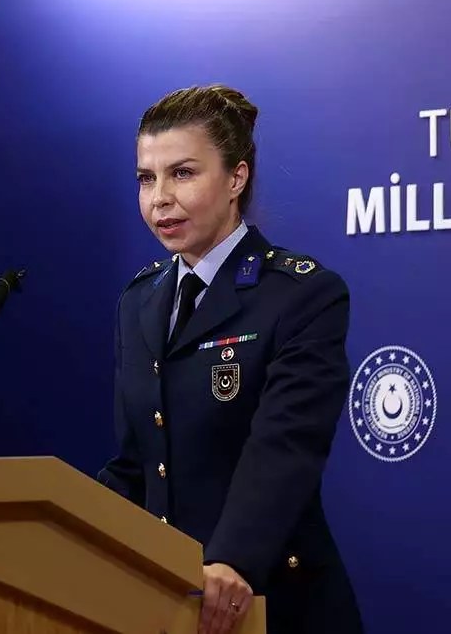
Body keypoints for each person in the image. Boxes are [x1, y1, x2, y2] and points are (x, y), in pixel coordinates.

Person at [97, 85, 363, 634]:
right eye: (146, 178)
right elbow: (137, 465)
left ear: (236, 178)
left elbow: (284, 448)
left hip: (273, 601)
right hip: (166, 603)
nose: (160, 199)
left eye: (183, 173)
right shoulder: (138, 301)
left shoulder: (300, 295)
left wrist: (232, 559)